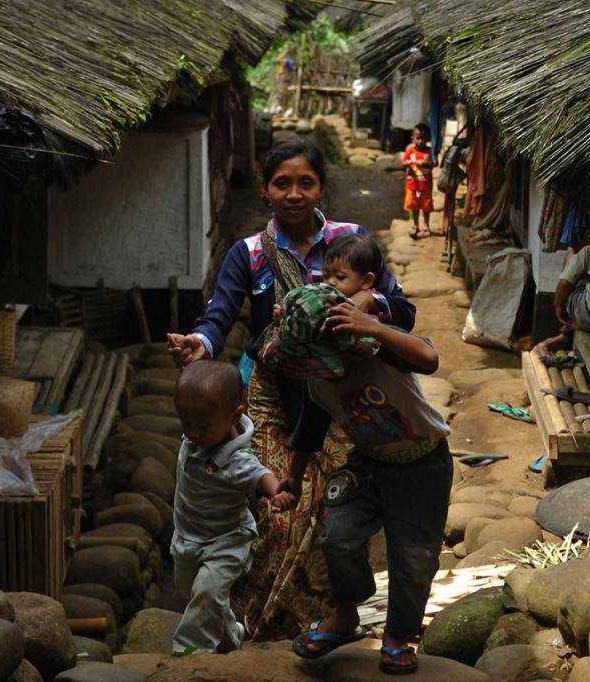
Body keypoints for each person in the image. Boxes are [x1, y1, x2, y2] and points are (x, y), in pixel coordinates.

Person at [166, 137, 415, 639]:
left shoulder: (352, 238)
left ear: (322, 187)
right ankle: (268, 629)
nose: (295, 193)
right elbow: (220, 315)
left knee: (334, 513)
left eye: (306, 182)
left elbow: (403, 313)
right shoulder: (250, 253)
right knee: (277, 512)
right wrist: (199, 341)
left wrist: (369, 305)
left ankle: (325, 620)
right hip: (273, 399)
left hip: (339, 401)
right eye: (283, 183)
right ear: (265, 189)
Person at [259, 284, 452, 675]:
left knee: (413, 561)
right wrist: (293, 478)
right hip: (366, 464)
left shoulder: (381, 351)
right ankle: (345, 616)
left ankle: (398, 635)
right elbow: (310, 430)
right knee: (339, 536)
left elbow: (430, 358)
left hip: (423, 467)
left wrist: (376, 328)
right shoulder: (316, 376)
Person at [170, 360, 297, 654]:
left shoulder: (237, 460)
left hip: (226, 542)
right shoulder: (197, 429)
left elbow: (262, 476)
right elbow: (192, 388)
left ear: (234, 416)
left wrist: (278, 493)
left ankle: (188, 653)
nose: (192, 433)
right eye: (185, 423)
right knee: (198, 596)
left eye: (201, 425)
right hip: (186, 536)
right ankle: (231, 635)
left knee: (207, 592)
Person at [536, 230, 590, 352]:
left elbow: (565, 283)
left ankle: (567, 331)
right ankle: (568, 333)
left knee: (571, 257)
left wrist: (558, 306)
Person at [272, 232, 380, 323]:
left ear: (366, 281)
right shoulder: (323, 300)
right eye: (326, 275)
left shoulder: (368, 314)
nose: (330, 282)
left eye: (340, 277)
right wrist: (285, 316)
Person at [403, 123, 435, 239]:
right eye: (418, 138)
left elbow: (434, 164)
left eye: (423, 138)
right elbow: (404, 162)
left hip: (425, 185)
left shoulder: (429, 152)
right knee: (414, 206)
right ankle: (415, 225)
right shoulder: (410, 151)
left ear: (428, 139)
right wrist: (406, 164)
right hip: (413, 185)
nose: (420, 141)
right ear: (413, 138)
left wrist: (424, 163)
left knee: (426, 206)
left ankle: (426, 225)